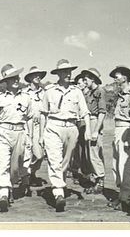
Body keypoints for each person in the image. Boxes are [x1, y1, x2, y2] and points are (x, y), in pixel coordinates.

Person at [39, 59, 91, 212]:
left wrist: (87, 130)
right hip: (53, 126)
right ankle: (58, 193)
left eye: (70, 71)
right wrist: (42, 134)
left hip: (71, 128)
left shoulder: (77, 91)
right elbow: (43, 114)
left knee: (65, 161)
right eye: (65, 72)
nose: (68, 74)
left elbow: (85, 112)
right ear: (59, 74)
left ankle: (59, 184)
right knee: (54, 159)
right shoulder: (49, 91)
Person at [0, 64, 33, 212]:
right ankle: (4, 195)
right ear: (6, 81)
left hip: (20, 133)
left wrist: (30, 137)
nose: (16, 80)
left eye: (16, 77)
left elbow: (30, 118)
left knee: (16, 167)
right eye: (11, 78)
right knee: (2, 164)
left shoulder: (26, 97)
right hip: (3, 133)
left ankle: (10, 185)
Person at [108, 66, 130, 212]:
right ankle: (121, 195)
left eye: (117, 76)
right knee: (116, 165)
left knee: (124, 166)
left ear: (125, 78)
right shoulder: (120, 95)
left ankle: (125, 197)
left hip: (126, 130)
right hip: (118, 129)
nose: (115, 79)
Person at [81, 68, 107, 194]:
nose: (85, 82)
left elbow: (102, 112)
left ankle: (100, 181)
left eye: (86, 79)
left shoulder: (100, 91)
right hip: (89, 122)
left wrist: (96, 130)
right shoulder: (90, 92)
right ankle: (96, 180)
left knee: (95, 153)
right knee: (90, 153)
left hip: (95, 121)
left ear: (93, 79)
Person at [23, 66, 47, 187]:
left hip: (40, 126)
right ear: (30, 78)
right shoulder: (24, 93)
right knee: (26, 152)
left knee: (39, 155)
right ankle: (26, 177)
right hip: (26, 126)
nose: (38, 77)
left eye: (39, 75)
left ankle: (29, 173)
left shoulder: (44, 93)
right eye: (35, 75)